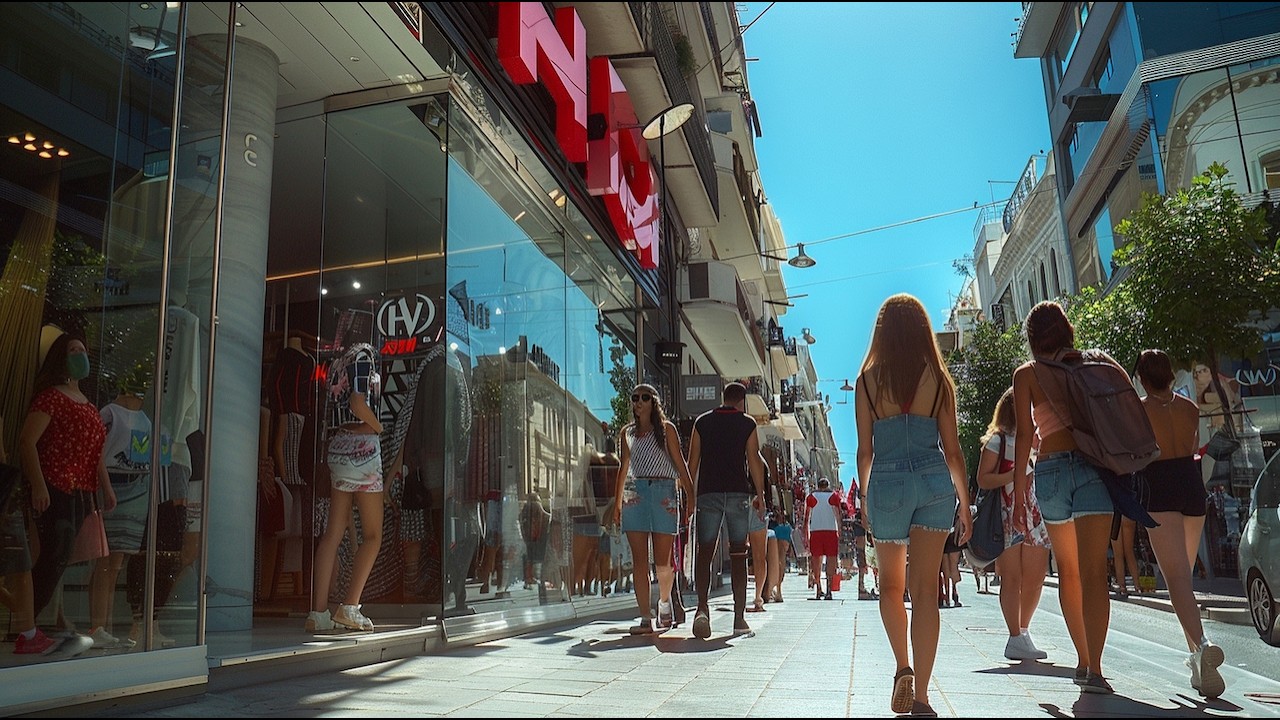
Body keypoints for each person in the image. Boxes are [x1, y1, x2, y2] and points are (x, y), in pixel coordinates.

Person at [855, 293, 971, 717]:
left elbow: (864, 452)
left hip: (886, 481)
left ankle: (901, 666)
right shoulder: (938, 379)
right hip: (934, 479)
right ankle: (922, 696)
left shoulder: (867, 381)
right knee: (926, 592)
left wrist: (866, 498)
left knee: (890, 587)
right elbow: (954, 451)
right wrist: (965, 503)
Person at [1011, 300, 1116, 693]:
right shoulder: (1088, 364)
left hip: (1051, 470)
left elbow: (1024, 436)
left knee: (1068, 572)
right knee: (1094, 573)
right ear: (1066, 330)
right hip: (1092, 466)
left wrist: (1021, 493)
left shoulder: (1027, 375)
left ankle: (1083, 660)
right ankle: (1097, 670)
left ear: (1033, 339)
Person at [1136, 349, 1225, 698]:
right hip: (1191, 484)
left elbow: (1141, 453)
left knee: (1174, 579)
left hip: (1159, 486)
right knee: (1183, 579)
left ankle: (1203, 645)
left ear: (1143, 379)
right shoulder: (1190, 407)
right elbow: (1191, 445)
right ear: (1171, 374)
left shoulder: (1140, 410)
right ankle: (1198, 664)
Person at [20, 331, 117, 647]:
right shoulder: (51, 397)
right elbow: (28, 442)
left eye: (83, 350)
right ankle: (27, 626)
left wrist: (106, 489)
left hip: (80, 491)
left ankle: (29, 625)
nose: (81, 356)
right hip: (54, 485)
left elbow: (95, 454)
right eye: (74, 350)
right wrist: (38, 485)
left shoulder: (89, 405)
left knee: (60, 558)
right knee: (53, 555)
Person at [306, 342, 383, 633]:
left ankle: (317, 613)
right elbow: (357, 402)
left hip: (339, 448)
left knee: (333, 534)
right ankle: (349, 607)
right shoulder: (364, 357)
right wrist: (379, 427)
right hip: (362, 448)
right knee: (374, 535)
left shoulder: (338, 362)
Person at [611, 384, 694, 634]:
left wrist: (690, 494)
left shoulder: (667, 430)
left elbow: (680, 464)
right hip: (634, 493)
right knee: (639, 561)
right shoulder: (627, 433)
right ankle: (645, 617)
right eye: (634, 397)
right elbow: (623, 468)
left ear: (653, 402)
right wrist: (616, 504)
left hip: (663, 492)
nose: (638, 401)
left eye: (644, 397)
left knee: (662, 561)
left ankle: (665, 601)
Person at [976, 387, 1050, 661]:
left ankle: (1023, 631)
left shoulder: (1037, 440)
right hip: (1006, 513)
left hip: (1035, 512)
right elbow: (983, 479)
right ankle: (1014, 636)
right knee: (1012, 577)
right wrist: (1015, 477)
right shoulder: (998, 440)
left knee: (1036, 576)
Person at [687, 381, 764, 638]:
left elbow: (692, 463)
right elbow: (754, 460)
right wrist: (761, 496)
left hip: (708, 493)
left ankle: (701, 609)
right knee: (739, 553)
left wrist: (690, 495)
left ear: (723, 398)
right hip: (738, 494)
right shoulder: (748, 424)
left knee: (705, 551)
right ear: (742, 401)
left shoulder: (702, 422)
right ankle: (739, 619)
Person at [88, 388, 153, 649]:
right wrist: (105, 487)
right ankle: (98, 624)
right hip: (111, 486)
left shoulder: (145, 419)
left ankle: (104, 624)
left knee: (115, 563)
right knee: (105, 562)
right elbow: (96, 452)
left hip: (135, 487)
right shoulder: (109, 413)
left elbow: (141, 457)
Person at [805, 477, 844, 600]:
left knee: (816, 561)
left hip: (815, 531)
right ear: (827, 485)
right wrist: (840, 530)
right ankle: (828, 590)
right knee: (831, 561)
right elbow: (838, 515)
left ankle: (818, 589)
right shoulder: (834, 496)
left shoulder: (811, 497)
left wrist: (806, 533)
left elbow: (807, 517)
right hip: (831, 531)